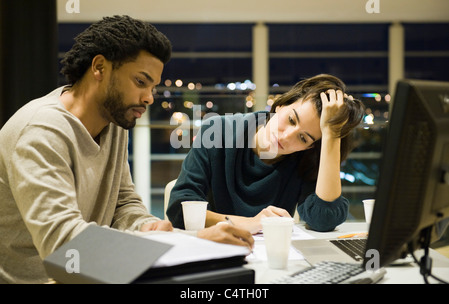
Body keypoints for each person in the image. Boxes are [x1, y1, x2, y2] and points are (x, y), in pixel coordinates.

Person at [0, 15, 253, 284]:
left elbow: (123, 203)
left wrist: (147, 226)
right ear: (99, 67)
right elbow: (65, 246)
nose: (149, 97)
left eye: (153, 87)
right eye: (141, 82)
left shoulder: (113, 121)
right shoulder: (41, 131)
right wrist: (191, 241)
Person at [167, 74, 365, 234]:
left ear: (309, 147)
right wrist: (250, 223)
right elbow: (180, 210)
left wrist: (332, 134)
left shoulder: (304, 159)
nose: (287, 137)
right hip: (214, 252)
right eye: (291, 119)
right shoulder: (218, 131)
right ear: (280, 106)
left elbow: (324, 220)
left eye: (304, 138)